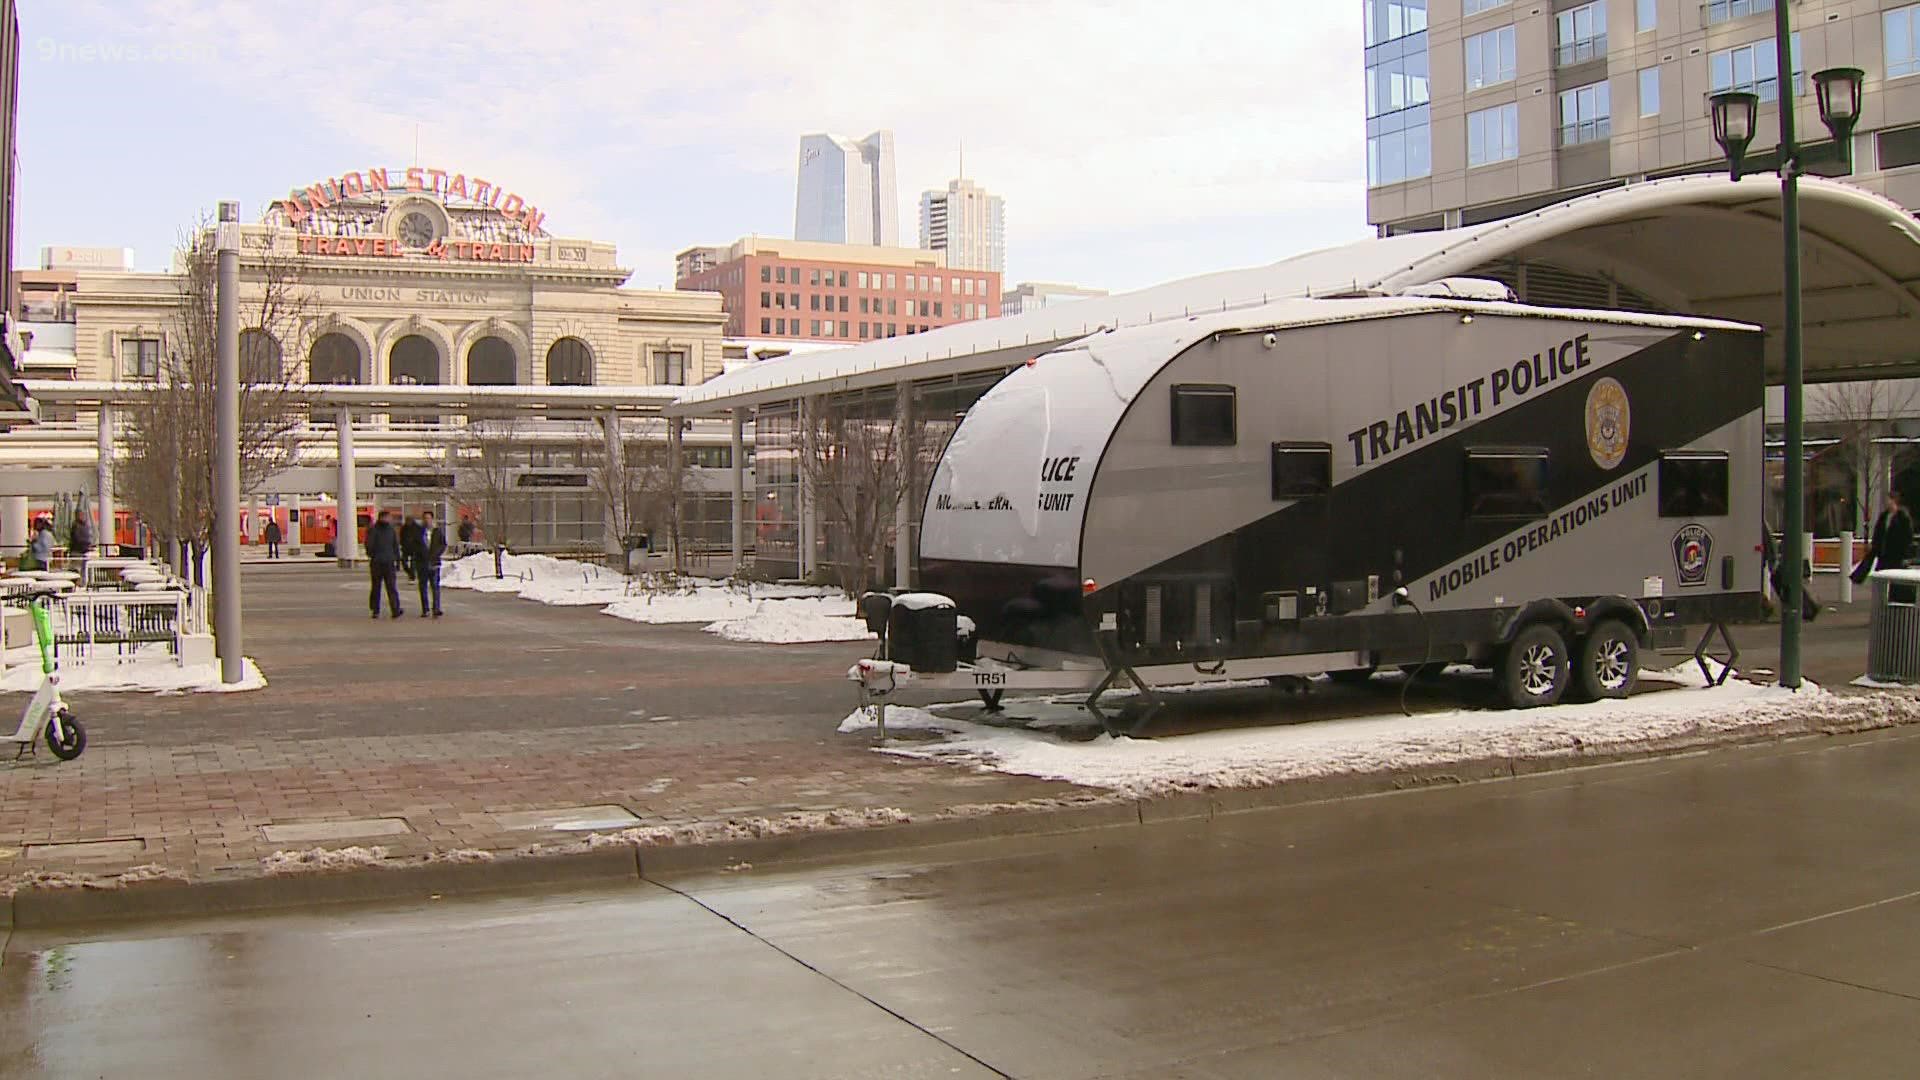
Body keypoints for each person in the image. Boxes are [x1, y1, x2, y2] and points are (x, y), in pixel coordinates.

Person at [365, 511, 403, 619]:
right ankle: (376, 609)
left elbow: (395, 546)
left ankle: (394, 609)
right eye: (388, 517)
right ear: (382, 518)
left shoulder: (388, 530)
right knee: (380, 587)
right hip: (380, 562)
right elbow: (369, 545)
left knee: (388, 587)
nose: (390, 519)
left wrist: (397, 560)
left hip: (385, 562)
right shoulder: (379, 530)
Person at [417, 510, 447, 618]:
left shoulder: (437, 531)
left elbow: (443, 544)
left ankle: (436, 608)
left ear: (432, 519)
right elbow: (415, 546)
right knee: (423, 587)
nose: (427, 520)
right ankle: (425, 609)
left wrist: (436, 554)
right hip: (422, 563)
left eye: (429, 518)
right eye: (425, 518)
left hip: (434, 562)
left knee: (435, 586)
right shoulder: (419, 532)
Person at [399, 515, 423, 582]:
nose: (407, 522)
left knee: (413, 563)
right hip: (405, 548)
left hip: (414, 548)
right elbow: (401, 537)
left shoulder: (417, 528)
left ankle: (412, 576)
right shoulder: (404, 528)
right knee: (403, 561)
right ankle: (410, 573)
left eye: (409, 521)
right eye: (406, 521)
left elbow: (419, 538)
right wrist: (402, 544)